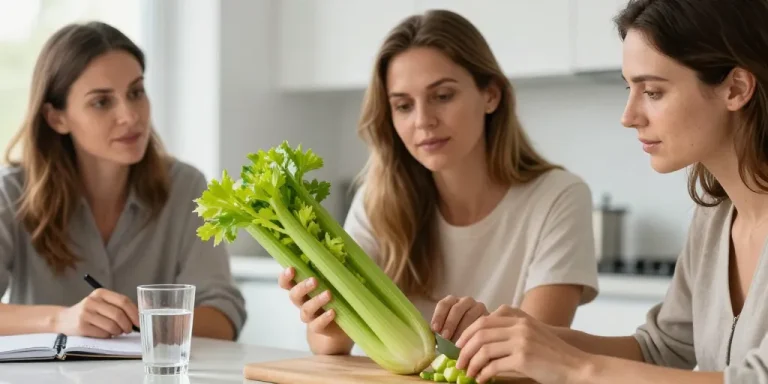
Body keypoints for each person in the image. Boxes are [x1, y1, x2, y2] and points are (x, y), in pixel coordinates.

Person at [447, 0, 768, 383]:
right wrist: (524, 340)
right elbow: (661, 348)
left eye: (652, 91)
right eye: (629, 88)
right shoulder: (714, 216)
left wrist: (572, 368)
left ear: (735, 88)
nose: (628, 116)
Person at [278, 9, 600, 356]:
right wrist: (324, 318)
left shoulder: (559, 197)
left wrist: (487, 331)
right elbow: (331, 347)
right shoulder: (377, 200)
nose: (423, 121)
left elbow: (538, 357)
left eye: (443, 96)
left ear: (491, 95)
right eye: (403, 106)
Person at [0, 21, 247, 341]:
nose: (130, 116)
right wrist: (62, 319)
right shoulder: (12, 192)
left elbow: (223, 316)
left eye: (136, 92)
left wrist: (140, 325)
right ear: (56, 118)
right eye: (102, 101)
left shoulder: (186, 188)